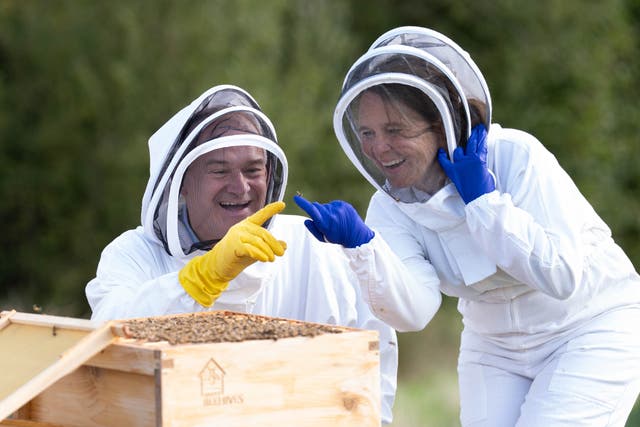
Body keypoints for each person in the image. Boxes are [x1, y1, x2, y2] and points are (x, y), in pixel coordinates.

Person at [295, 27, 640, 426]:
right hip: (494, 344)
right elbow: (417, 312)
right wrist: (362, 248)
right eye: (368, 133)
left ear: (441, 124)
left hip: (592, 325)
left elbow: (560, 275)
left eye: (395, 130)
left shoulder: (515, 156)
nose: (378, 148)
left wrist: (484, 203)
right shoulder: (389, 208)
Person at [85, 84, 400, 424]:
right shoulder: (134, 255)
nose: (240, 187)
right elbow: (104, 340)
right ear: (183, 181)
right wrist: (200, 279)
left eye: (253, 170)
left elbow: (374, 352)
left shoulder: (313, 247)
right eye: (219, 170)